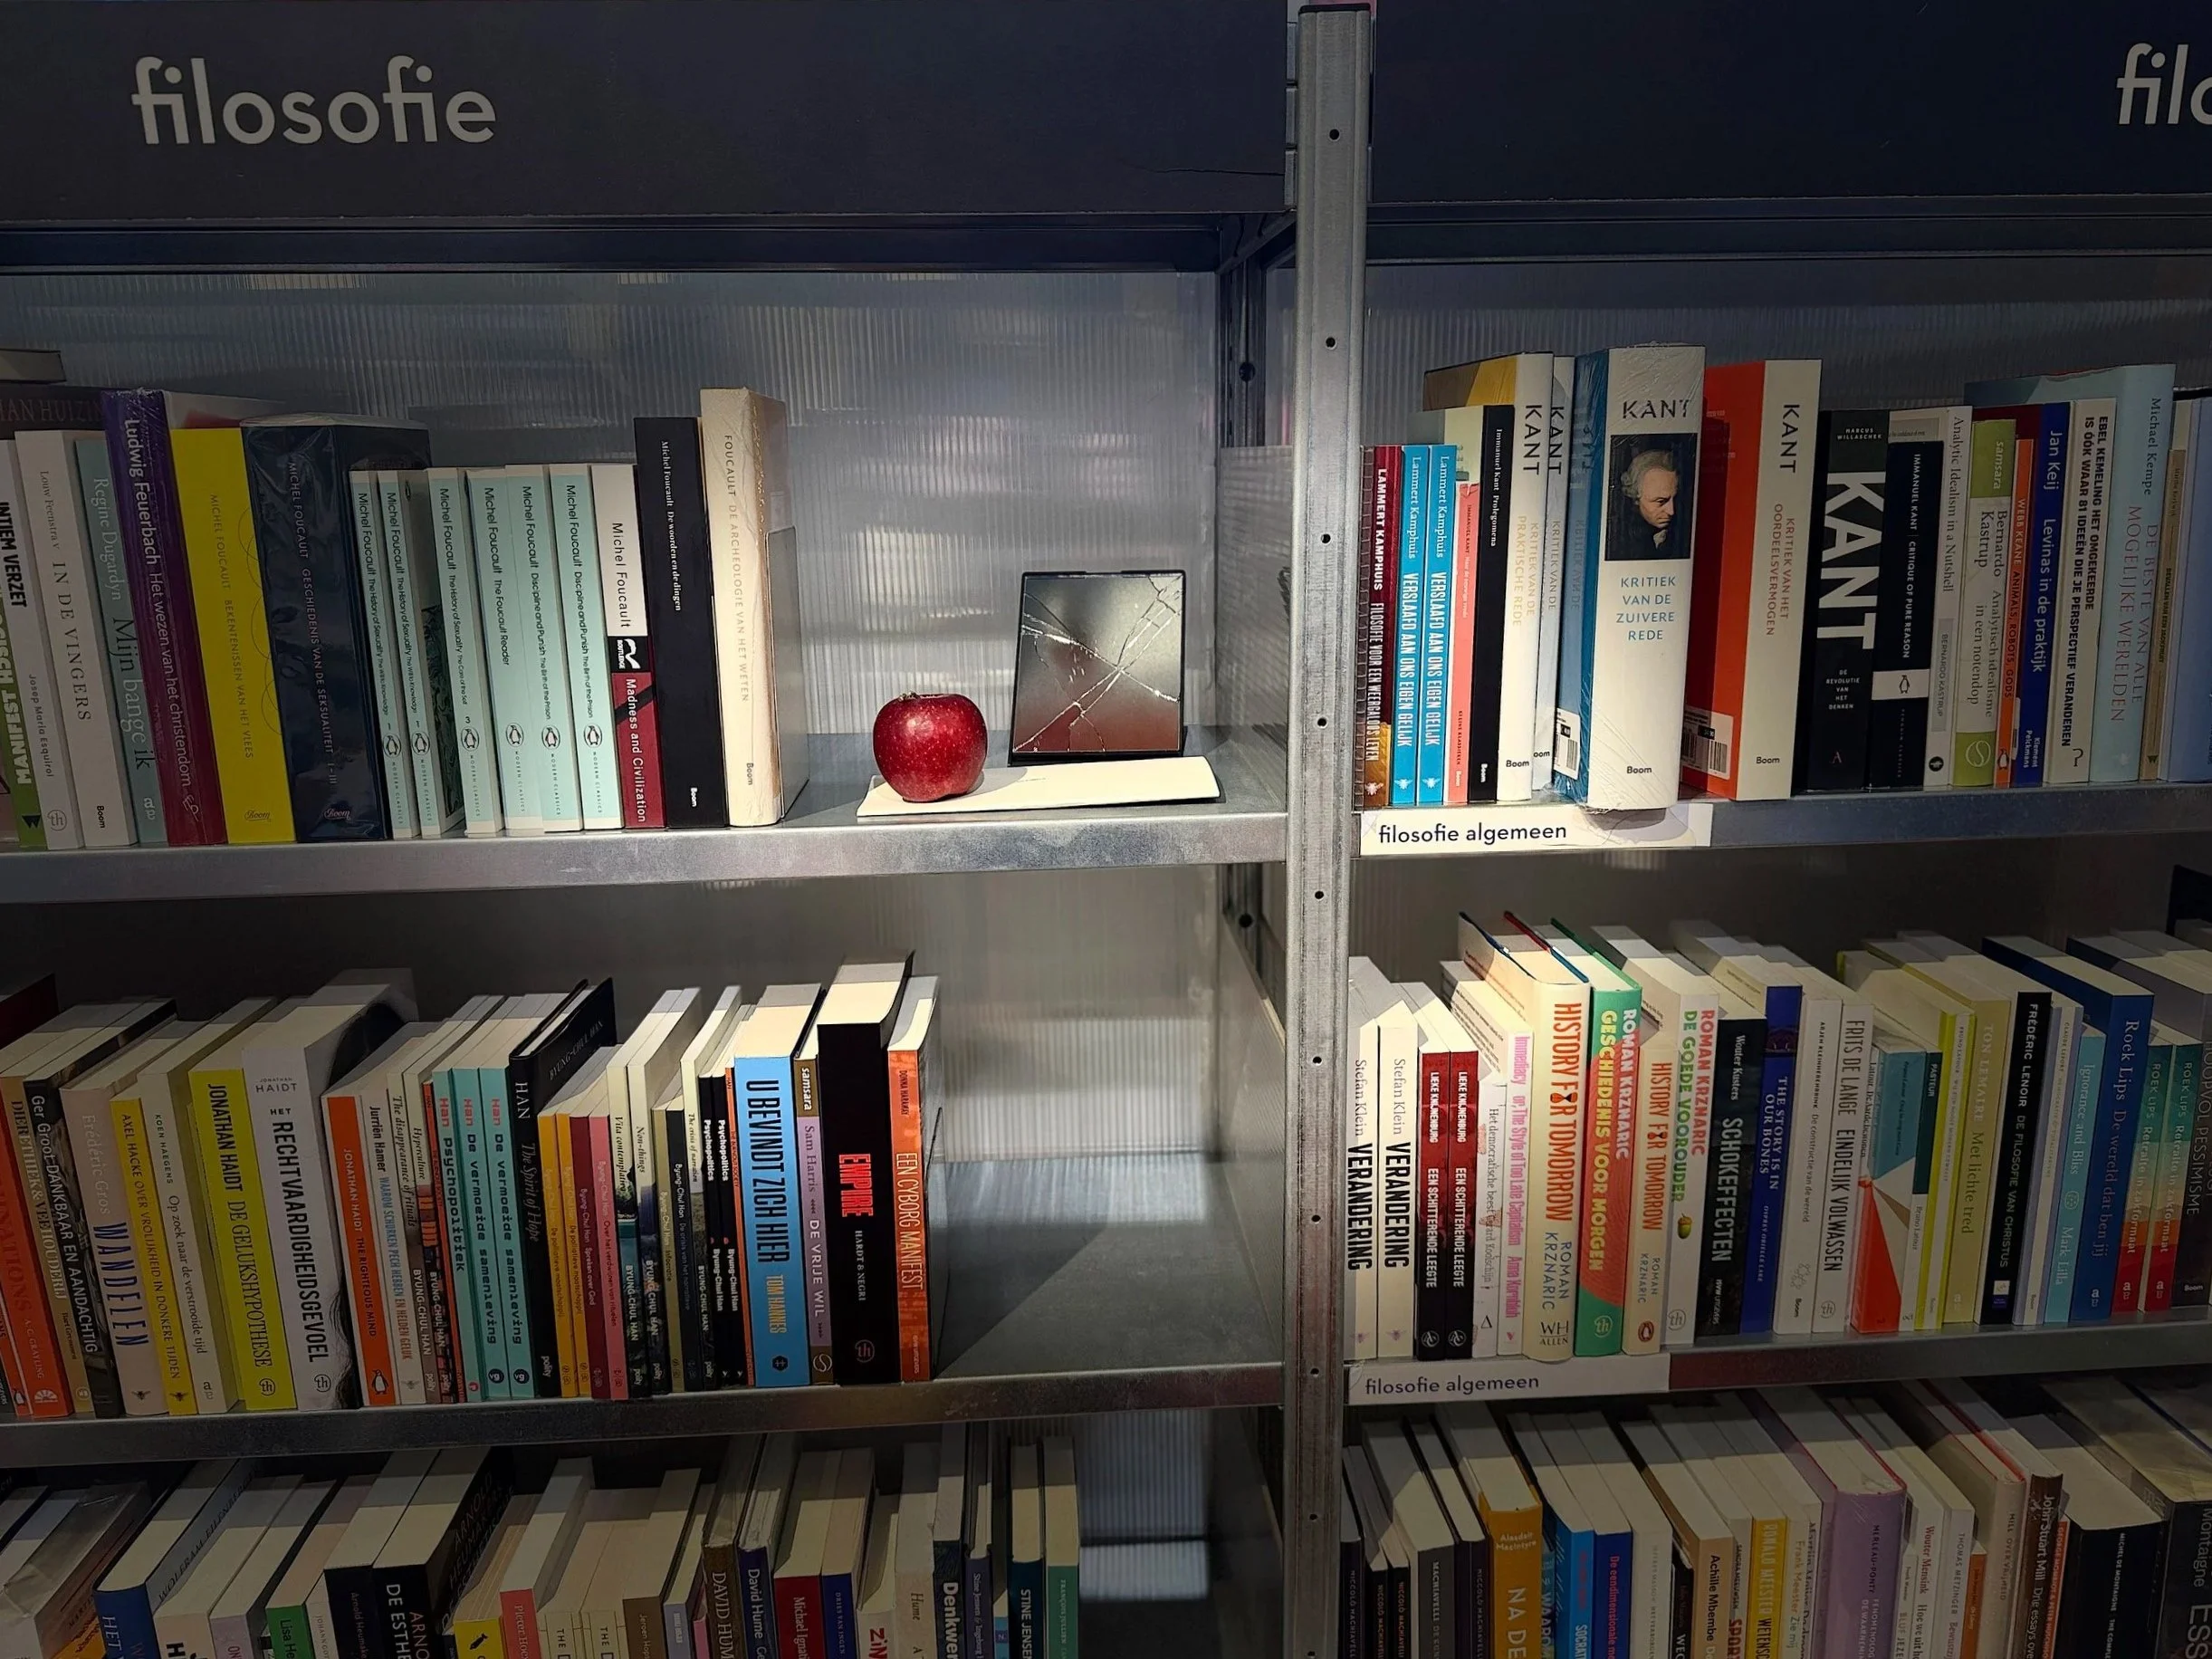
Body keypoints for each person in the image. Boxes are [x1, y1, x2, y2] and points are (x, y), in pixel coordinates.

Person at [1615, 446, 1685, 558]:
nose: (1671, 511)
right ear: (1636, 497)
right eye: (1660, 501)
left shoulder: (1681, 536)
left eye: (1675, 499)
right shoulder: (1620, 540)